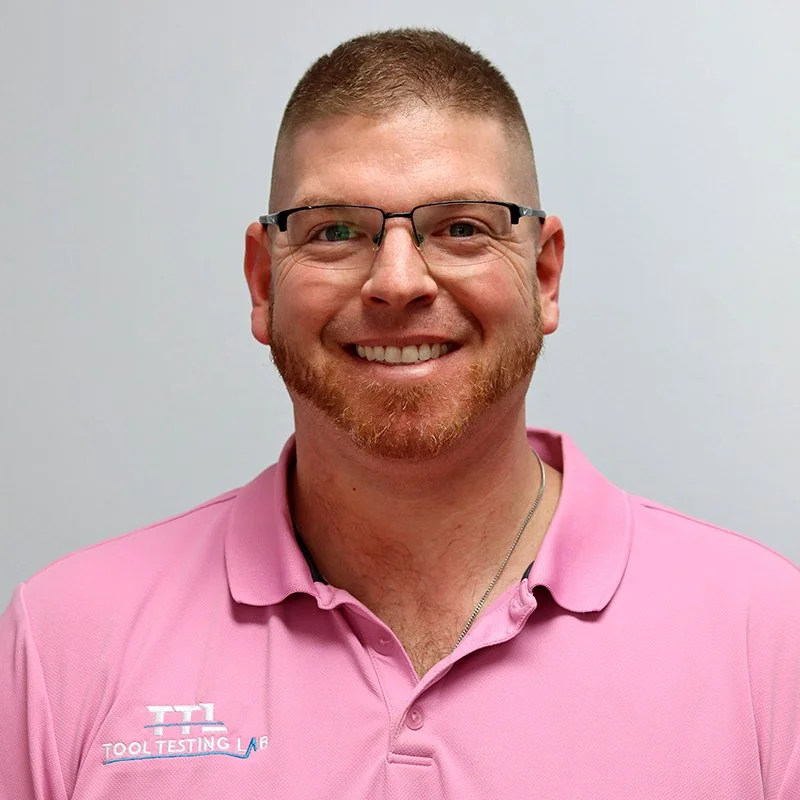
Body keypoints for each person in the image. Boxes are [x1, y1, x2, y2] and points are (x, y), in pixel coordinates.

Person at [1, 28, 798, 800]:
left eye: (460, 228)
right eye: (336, 230)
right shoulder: (65, 639)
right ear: (262, 282)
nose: (397, 282)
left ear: (545, 274)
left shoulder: (769, 640)